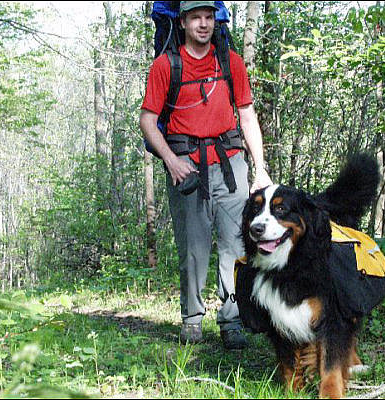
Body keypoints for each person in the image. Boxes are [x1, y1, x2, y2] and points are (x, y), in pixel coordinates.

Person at [140, 1, 272, 349]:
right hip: (187, 168)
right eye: (195, 17)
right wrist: (170, 159)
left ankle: (231, 322)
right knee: (193, 249)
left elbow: (246, 116)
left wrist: (260, 169)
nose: (203, 24)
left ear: (217, 20)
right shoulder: (165, 66)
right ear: (182, 22)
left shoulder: (231, 62)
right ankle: (192, 321)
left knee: (236, 245)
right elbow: (148, 122)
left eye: (208, 17)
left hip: (230, 165)